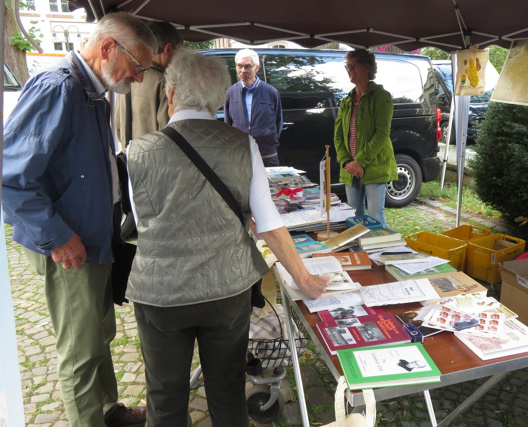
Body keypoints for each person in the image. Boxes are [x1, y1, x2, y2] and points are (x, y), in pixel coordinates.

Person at [126, 50, 329, 426]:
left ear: (170, 94)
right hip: (226, 289)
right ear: (221, 98)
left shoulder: (138, 151)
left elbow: (143, 224)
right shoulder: (243, 145)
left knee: (165, 398)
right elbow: (267, 223)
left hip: (160, 294)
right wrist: (303, 278)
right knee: (226, 391)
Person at [2, 12, 156, 427]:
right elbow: (10, 177)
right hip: (71, 246)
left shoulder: (93, 91)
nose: (140, 78)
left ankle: (107, 412)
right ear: (108, 48)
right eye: (137, 65)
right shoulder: (59, 87)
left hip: (95, 238)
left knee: (99, 335)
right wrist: (57, 237)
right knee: (80, 350)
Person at [334, 48, 398, 228]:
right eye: (348, 66)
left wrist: (359, 161)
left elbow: (381, 134)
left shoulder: (381, 97)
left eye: (354, 65)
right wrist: (347, 162)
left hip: (375, 166)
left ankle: (381, 254)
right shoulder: (346, 101)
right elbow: (338, 134)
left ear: (368, 68)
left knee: (376, 217)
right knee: (355, 217)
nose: (350, 70)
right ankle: (360, 254)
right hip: (351, 168)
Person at [115, 20, 183, 150]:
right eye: (179, 51)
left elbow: (118, 128)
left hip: (128, 160)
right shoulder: (165, 83)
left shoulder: (127, 78)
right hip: (155, 162)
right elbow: (170, 135)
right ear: (168, 49)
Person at [224, 48, 283, 166]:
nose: (242, 70)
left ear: (256, 68)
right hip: (240, 155)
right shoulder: (230, 93)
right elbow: (228, 124)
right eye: (239, 66)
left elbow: (278, 121)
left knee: (269, 184)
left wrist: (271, 141)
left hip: (266, 155)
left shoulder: (271, 92)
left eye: (247, 66)